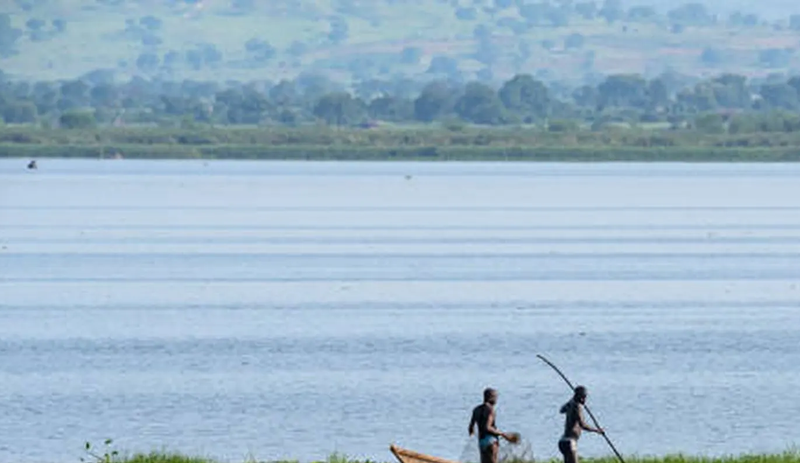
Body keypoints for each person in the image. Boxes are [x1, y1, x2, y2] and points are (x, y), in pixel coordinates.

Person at [558, 386, 604, 463]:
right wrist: (597, 430)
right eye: (583, 397)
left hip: (563, 442)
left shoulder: (570, 404)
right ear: (577, 396)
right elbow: (582, 425)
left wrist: (571, 400)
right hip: (570, 442)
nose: (584, 400)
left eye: (585, 397)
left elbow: (562, 410)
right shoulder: (577, 406)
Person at [469, 388, 514, 463]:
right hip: (491, 441)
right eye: (495, 397)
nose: (496, 400)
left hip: (481, 441)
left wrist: (473, 432)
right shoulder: (491, 409)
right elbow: (488, 427)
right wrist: (503, 434)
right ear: (491, 397)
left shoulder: (476, 409)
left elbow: (470, 428)